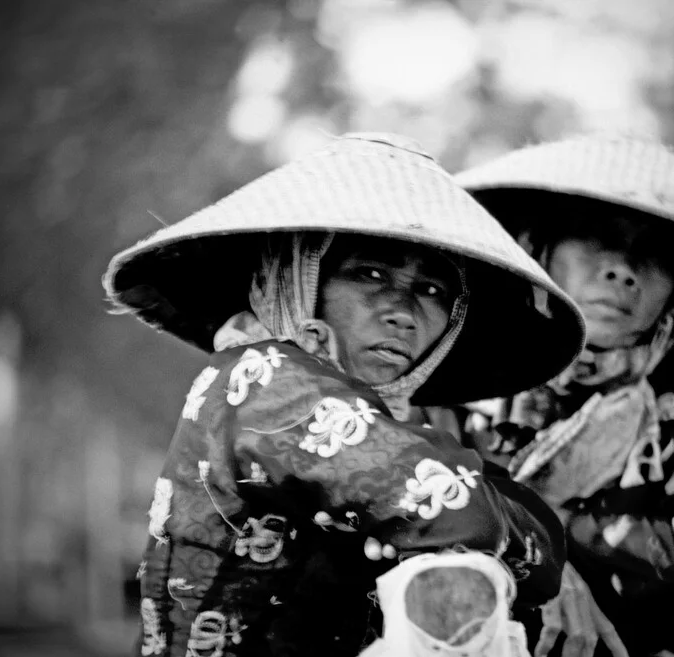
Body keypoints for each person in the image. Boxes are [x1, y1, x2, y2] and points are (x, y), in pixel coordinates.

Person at [102, 133, 588, 657]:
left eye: (432, 291)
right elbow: (467, 512)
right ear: (297, 278)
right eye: (370, 274)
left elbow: (489, 507)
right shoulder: (265, 381)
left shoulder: (384, 422)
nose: (401, 310)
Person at [452, 135, 674, 657]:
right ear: (541, 251)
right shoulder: (465, 388)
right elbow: (413, 507)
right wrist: (552, 557)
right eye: (596, 238)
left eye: (653, 256)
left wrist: (526, 517)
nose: (622, 270)